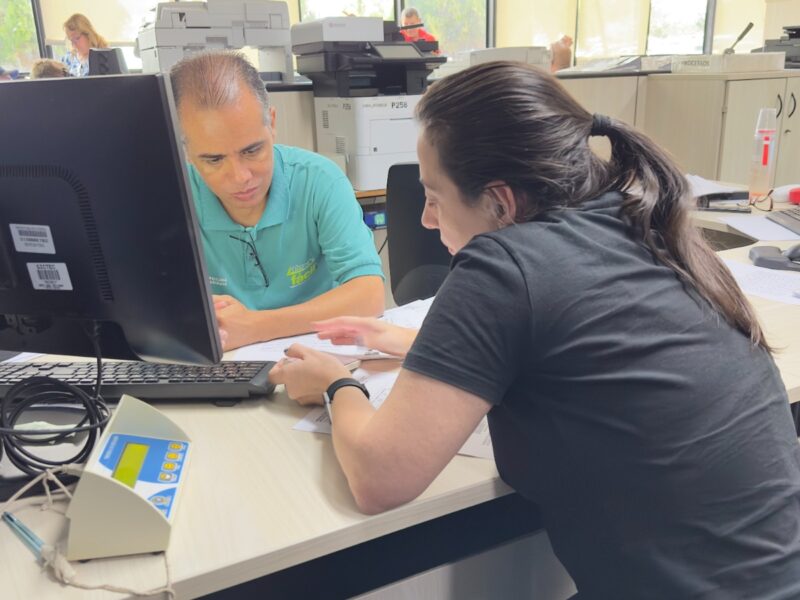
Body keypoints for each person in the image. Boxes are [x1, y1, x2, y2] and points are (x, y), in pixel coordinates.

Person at [269, 61, 800, 598]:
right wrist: (418, 347)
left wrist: (337, 385)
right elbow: (582, 349)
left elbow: (380, 479)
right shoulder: (640, 220)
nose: (427, 220)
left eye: (434, 195)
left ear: (501, 203)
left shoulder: (503, 264)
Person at [170, 52, 385, 351]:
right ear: (186, 150)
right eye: (214, 159)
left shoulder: (320, 181)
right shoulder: (172, 199)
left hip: (317, 355)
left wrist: (256, 327)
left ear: (271, 123)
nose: (240, 176)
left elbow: (369, 295)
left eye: (252, 150)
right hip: (224, 366)